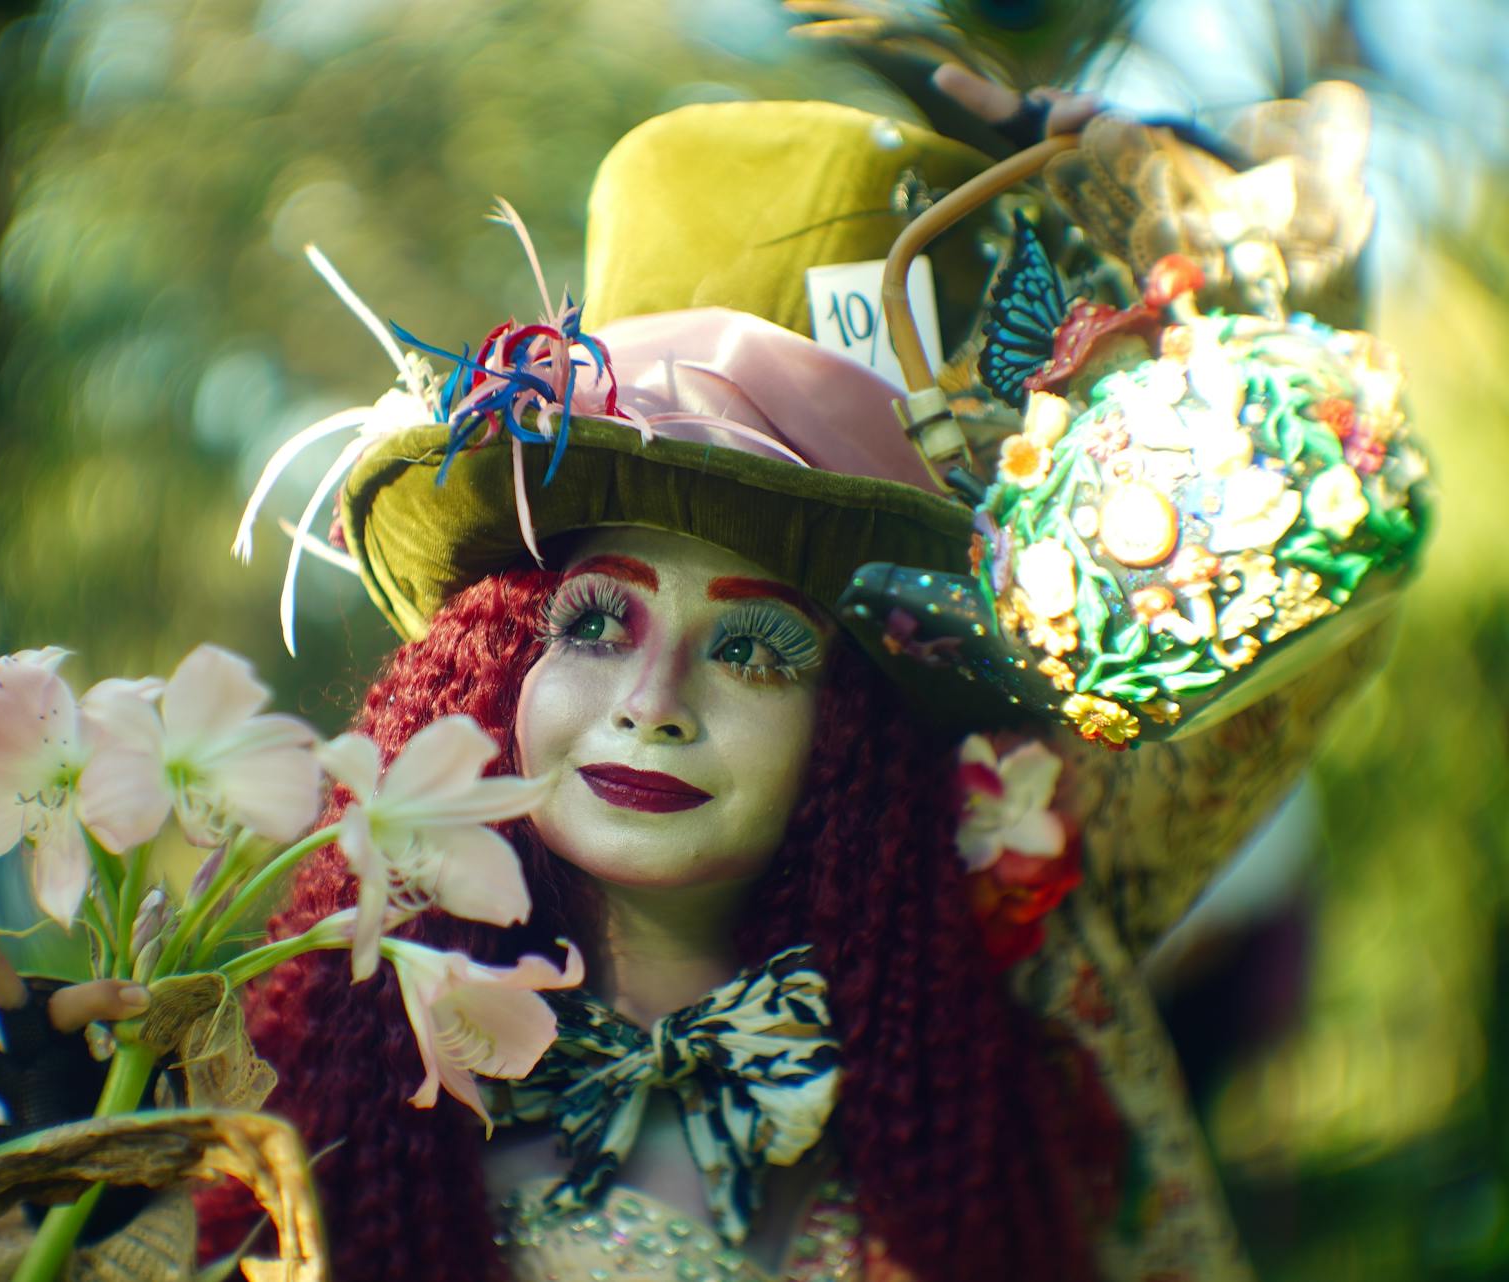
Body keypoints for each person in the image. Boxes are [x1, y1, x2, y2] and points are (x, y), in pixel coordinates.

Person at [182, 86, 1405, 1282]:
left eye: (758, 648)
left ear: (853, 723)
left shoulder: (1009, 962)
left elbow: (1340, 553)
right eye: (598, 619)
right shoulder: (324, 1082)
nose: (653, 699)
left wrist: (1191, 228)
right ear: (498, 665)